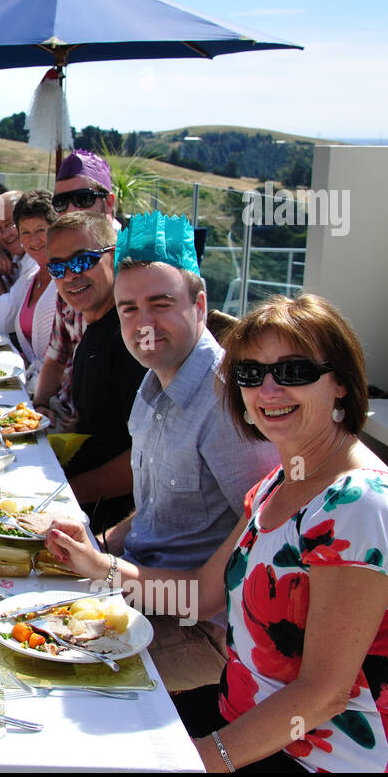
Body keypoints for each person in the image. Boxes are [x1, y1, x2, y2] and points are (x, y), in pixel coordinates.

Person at [46, 294, 388, 773]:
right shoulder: (281, 481)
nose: (268, 390)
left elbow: (324, 693)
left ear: (340, 384)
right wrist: (99, 565)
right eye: (250, 375)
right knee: (65, 724)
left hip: (327, 757)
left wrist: (203, 759)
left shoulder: (361, 503)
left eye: (293, 372)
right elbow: (205, 594)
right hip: (244, 717)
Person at [105, 211, 280, 690]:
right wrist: (102, 543)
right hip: (140, 591)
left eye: (160, 304)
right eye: (129, 308)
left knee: (51, 679)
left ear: (199, 304)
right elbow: (162, 505)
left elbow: (254, 555)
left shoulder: (229, 404)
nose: (144, 324)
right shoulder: (156, 378)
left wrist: (105, 571)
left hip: (206, 637)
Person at [48, 210, 146, 531]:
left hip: (110, 522)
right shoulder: (95, 327)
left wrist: (65, 493)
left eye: (82, 260)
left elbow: (143, 462)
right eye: (58, 267)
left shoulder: (131, 339)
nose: (70, 276)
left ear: (114, 256)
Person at [35, 150, 122, 421]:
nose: (71, 210)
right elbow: (57, 356)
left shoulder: (138, 278)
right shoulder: (67, 273)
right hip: (65, 415)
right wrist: (35, 409)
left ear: (109, 203)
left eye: (83, 199)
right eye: (61, 202)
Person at [0, 190, 69, 391]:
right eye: (25, 232)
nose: (33, 240)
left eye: (40, 230)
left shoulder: (67, 279)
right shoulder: (32, 277)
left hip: (55, 396)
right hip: (31, 387)